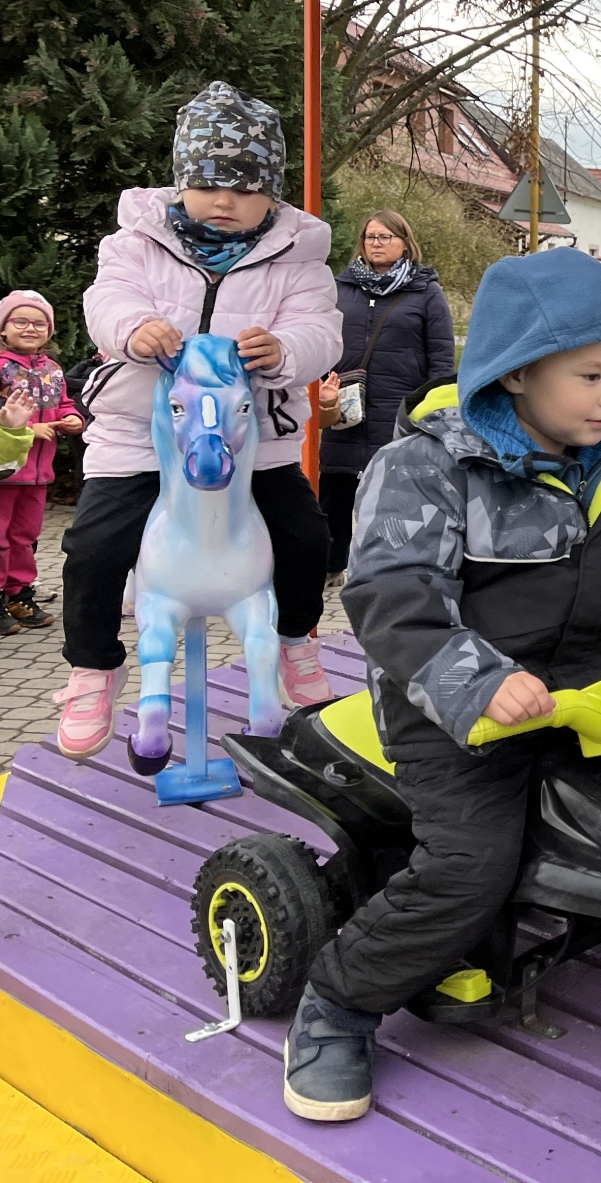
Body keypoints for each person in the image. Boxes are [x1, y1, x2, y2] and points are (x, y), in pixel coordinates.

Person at [284, 248, 601, 1123]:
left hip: (589, 697)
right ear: (519, 371)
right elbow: (393, 596)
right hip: (460, 711)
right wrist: (479, 683)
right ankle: (339, 1003)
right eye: (591, 376)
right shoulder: (428, 467)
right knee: (470, 866)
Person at [56, 83, 343, 760]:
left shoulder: (298, 257)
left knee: (305, 536)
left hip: (252, 436)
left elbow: (322, 330)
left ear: (272, 193)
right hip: (140, 433)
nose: (225, 200)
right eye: (208, 184)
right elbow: (107, 300)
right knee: (94, 546)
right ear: (181, 181)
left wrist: (284, 351)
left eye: (246, 189)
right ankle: (93, 667)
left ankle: (294, 639)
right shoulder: (136, 243)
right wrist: (134, 329)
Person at [316, 211, 456, 575]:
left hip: (398, 411)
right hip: (345, 407)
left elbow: (441, 357)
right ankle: (331, 568)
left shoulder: (426, 292)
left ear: (405, 243)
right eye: (370, 237)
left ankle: (381, 571)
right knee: (334, 489)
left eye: (385, 237)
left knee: (390, 496)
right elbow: (322, 342)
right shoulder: (341, 288)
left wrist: (429, 411)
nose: (376, 243)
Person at [0, 291, 83, 628]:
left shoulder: (52, 368)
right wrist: (28, 429)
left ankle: (19, 594)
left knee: (25, 535)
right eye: (20, 321)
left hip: (38, 473)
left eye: (39, 323)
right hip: (6, 470)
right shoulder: (1, 366)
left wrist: (72, 417)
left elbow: (62, 404)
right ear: (3, 328)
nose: (30, 328)